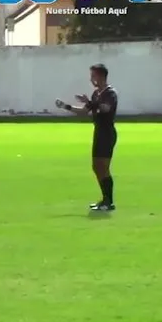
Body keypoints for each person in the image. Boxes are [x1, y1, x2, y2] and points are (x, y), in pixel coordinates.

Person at [55, 62, 118, 212]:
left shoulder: (110, 93)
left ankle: (109, 202)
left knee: (103, 167)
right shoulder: (96, 94)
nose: (91, 79)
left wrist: (89, 102)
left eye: (93, 76)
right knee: (96, 166)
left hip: (107, 133)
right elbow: (84, 111)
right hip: (98, 132)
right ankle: (105, 200)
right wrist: (66, 106)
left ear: (101, 76)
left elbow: (106, 108)